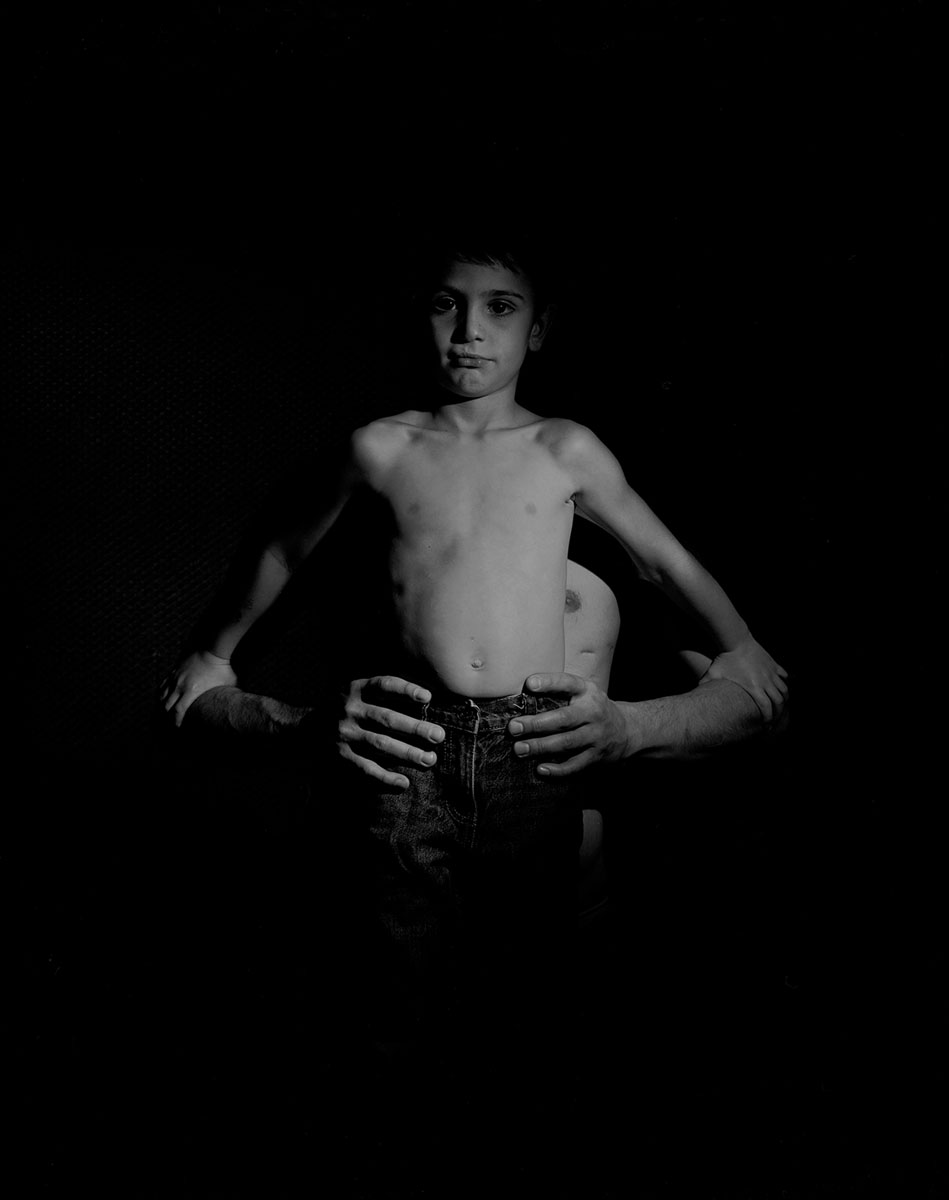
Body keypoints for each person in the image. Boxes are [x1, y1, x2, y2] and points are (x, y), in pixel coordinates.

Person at [161, 241, 787, 1044]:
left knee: (525, 966)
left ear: (538, 329)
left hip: (526, 738)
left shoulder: (564, 447)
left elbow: (661, 560)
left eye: (499, 307)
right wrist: (215, 653)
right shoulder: (380, 446)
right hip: (415, 739)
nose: (468, 330)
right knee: (403, 959)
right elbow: (283, 549)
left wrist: (740, 644)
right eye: (444, 304)